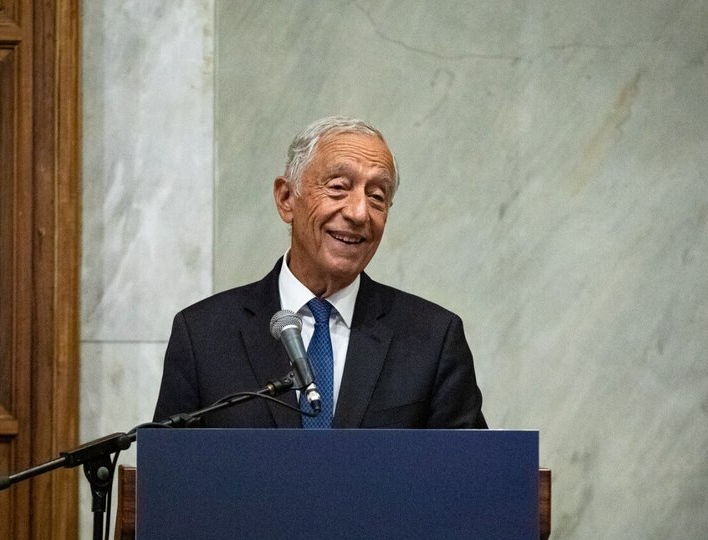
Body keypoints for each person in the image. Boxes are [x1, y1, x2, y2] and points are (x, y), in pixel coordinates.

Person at [153, 116, 487, 429]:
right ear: (286, 198)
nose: (359, 213)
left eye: (376, 196)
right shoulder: (204, 334)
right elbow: (170, 466)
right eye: (338, 187)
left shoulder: (433, 338)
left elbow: (470, 467)